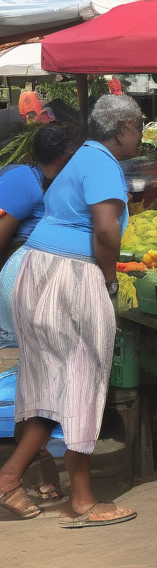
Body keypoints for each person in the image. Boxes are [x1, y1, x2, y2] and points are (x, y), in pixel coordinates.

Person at [0, 95, 143, 525]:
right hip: (71, 276)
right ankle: (81, 500)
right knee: (82, 380)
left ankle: (9, 479)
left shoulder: (81, 156)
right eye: (137, 127)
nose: (140, 134)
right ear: (120, 130)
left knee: (51, 384)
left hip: (36, 270)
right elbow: (104, 232)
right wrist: (110, 279)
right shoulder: (102, 164)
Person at [0, 125, 75, 503]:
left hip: (32, 277)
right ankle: (10, 478)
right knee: (53, 384)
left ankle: (46, 477)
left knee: (39, 381)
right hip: (33, 279)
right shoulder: (22, 180)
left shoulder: (57, 180)